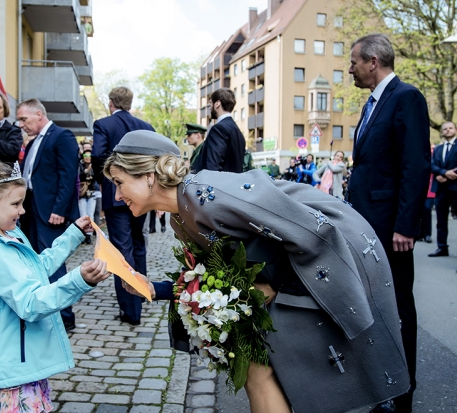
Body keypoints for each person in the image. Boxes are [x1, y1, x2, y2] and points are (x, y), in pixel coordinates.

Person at [106, 130, 409, 413]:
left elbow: (310, 230)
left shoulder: (204, 196)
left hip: (335, 249)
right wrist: (154, 288)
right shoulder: (179, 218)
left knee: (266, 364)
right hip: (295, 264)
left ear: (148, 175)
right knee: (256, 365)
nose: (117, 196)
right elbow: (215, 274)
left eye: (119, 182)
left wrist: (275, 287)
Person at [0, 161, 110, 411]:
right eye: (15, 204)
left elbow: (37, 268)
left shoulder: (8, 235)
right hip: (7, 372)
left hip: (13, 365)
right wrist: (79, 281)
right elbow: (30, 303)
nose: (22, 210)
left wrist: (72, 234)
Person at [346, 34, 430, 413]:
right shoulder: (371, 104)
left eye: (354, 62)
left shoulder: (406, 98)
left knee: (398, 311)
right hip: (366, 226)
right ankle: (384, 387)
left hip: (390, 229)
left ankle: (403, 396)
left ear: (373, 61)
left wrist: (405, 226)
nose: (350, 68)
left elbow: (415, 166)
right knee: (374, 309)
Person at [91, 86, 155, 325]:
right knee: (139, 245)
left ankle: (131, 310)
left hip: (115, 194)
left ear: (111, 103)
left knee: (122, 249)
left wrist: (106, 181)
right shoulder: (146, 127)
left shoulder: (104, 125)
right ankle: (143, 294)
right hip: (142, 194)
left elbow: (98, 155)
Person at [16, 99, 81, 331]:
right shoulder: (35, 141)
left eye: (24, 119)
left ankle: (64, 317)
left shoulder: (61, 136)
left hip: (50, 212)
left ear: (38, 114)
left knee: (54, 261)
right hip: (31, 210)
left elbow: (68, 176)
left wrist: (59, 210)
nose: (20, 124)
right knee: (35, 261)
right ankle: (43, 309)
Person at [192, 88, 245, 173]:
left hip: (217, 185)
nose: (209, 108)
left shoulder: (219, 129)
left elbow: (212, 168)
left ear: (217, 104)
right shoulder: (238, 132)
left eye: (210, 103)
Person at [429, 122, 457, 257]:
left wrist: (449, 174)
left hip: (455, 188)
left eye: (450, 128)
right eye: (444, 129)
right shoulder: (438, 149)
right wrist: (444, 173)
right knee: (441, 221)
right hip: (441, 189)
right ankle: (442, 247)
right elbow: (431, 164)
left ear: (455, 130)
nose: (447, 130)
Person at [78, 149, 96, 244]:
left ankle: (89, 235)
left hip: (91, 193)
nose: (88, 158)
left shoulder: (94, 166)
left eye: (89, 156)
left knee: (90, 215)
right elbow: (78, 177)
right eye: (86, 156)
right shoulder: (80, 166)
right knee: (83, 215)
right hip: (82, 194)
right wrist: (85, 171)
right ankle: (83, 235)